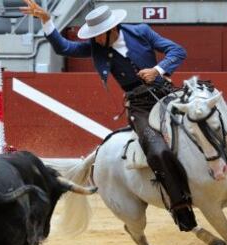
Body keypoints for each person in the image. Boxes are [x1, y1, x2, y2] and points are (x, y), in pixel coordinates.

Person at [21, 0, 197, 232]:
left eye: (97, 35)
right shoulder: (97, 47)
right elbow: (65, 48)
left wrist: (158, 70)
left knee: (206, 121)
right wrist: (47, 21)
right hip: (139, 105)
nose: (93, 40)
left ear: (111, 29)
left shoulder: (141, 31)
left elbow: (178, 50)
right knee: (157, 150)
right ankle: (180, 206)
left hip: (166, 94)